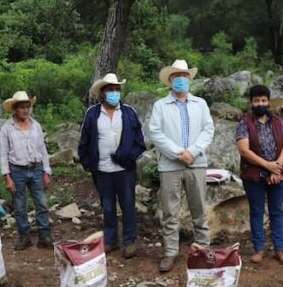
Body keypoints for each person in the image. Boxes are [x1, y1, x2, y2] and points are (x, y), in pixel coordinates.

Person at [149, 59, 215, 273]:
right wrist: (179, 153)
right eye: (177, 76)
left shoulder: (200, 104)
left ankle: (203, 248)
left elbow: (208, 130)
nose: (181, 80)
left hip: (196, 163)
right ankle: (170, 252)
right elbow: (156, 133)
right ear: (170, 80)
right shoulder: (160, 105)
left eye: (184, 76)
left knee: (199, 208)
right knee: (170, 210)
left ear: (189, 79)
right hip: (170, 165)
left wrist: (193, 152)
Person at [78, 73, 146, 259]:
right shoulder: (92, 114)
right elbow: (84, 140)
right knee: (107, 206)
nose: (114, 93)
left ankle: (129, 240)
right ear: (102, 93)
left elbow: (139, 141)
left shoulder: (129, 112)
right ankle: (110, 239)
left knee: (128, 205)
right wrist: (86, 162)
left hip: (125, 170)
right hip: (101, 170)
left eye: (117, 89)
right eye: (110, 90)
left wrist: (127, 157)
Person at [236, 85, 283, 265]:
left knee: (276, 211)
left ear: (268, 102)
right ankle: (259, 249)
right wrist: (267, 166)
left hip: (278, 173)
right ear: (251, 102)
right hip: (254, 175)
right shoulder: (245, 123)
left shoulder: (278, 121)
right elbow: (244, 150)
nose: (260, 103)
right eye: (256, 100)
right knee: (257, 211)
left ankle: (280, 249)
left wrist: (277, 167)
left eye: (263, 100)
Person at [0, 91, 52, 250]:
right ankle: (24, 236)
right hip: (17, 171)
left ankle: (44, 236)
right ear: (14, 109)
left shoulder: (36, 125)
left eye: (27, 107)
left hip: (36, 168)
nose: (25, 110)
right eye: (21, 107)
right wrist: (7, 177)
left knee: (41, 204)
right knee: (20, 206)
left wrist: (46, 171)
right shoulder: (7, 128)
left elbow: (43, 149)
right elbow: (3, 153)